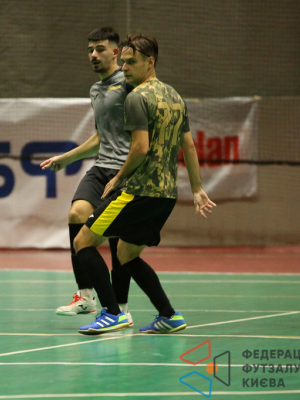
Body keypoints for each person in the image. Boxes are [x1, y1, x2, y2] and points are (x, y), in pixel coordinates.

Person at [73, 33, 216, 334]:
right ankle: (169, 315)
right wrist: (197, 189)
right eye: (123, 62)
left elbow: (139, 148)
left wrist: (118, 177)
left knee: (82, 242)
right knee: (126, 254)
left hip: (138, 191)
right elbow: (189, 146)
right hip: (166, 195)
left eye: (131, 62)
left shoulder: (136, 97)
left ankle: (112, 313)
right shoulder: (175, 97)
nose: (124, 68)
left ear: (150, 62)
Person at [40, 27, 134, 323]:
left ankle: (121, 306)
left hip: (126, 171)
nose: (93, 54)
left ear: (115, 52)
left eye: (100, 49)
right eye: (90, 50)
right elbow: (100, 136)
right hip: (101, 167)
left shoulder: (130, 84)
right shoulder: (96, 90)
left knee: (117, 238)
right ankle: (86, 296)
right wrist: (66, 158)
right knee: (76, 214)